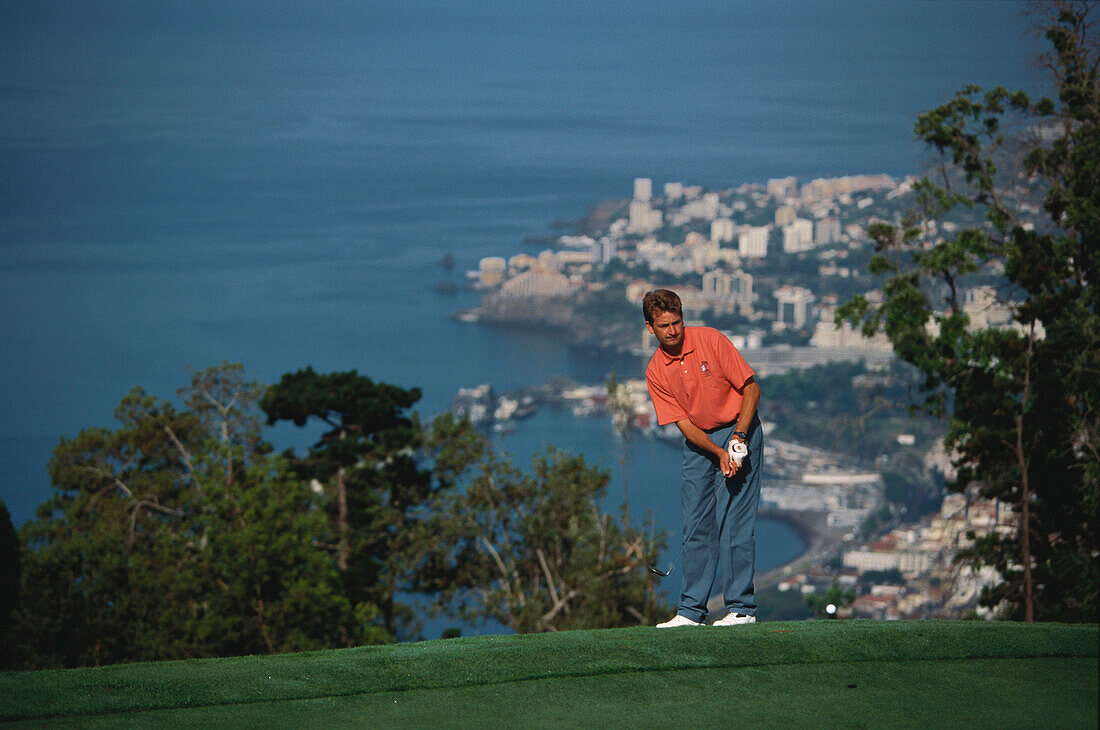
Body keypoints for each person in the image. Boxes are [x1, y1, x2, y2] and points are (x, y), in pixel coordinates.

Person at [642, 289, 763, 627]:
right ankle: (691, 612)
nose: (672, 331)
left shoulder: (711, 340)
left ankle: (741, 609)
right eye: (664, 325)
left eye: (676, 322)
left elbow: (751, 389)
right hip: (700, 442)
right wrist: (717, 452)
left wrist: (738, 438)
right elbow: (684, 425)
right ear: (651, 328)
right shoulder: (655, 371)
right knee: (695, 524)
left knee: (734, 521)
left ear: (683, 318)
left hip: (740, 428)